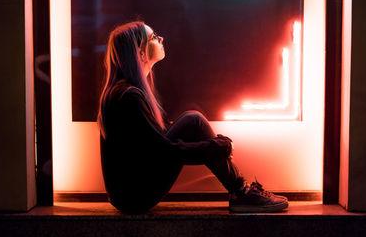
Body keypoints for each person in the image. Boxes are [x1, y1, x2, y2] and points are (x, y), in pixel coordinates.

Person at [97, 21, 288, 214]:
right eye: (154, 37)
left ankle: (241, 190)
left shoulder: (126, 91)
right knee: (194, 120)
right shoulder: (129, 97)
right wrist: (214, 147)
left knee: (192, 120)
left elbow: (155, 145)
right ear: (141, 53)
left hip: (130, 192)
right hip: (135, 197)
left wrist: (213, 146)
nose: (161, 39)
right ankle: (241, 191)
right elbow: (164, 152)